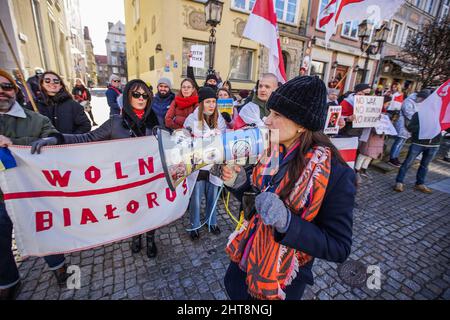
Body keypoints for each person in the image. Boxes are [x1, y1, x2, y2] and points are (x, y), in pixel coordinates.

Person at [221, 76, 356, 300]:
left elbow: (339, 247)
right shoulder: (270, 151)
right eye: (270, 112)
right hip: (244, 267)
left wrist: (287, 223)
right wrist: (239, 183)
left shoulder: (336, 174)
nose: (267, 120)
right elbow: (256, 204)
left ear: (301, 124)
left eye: (277, 115)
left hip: (281, 283)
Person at [31, 79, 161, 258]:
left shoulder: (154, 122)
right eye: (136, 94)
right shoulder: (116, 123)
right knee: (133, 211)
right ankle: (135, 237)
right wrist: (57, 138)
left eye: (145, 95)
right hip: (126, 182)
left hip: (149, 179)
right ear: (128, 97)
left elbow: (165, 146)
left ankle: (150, 239)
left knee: (151, 210)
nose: (141, 98)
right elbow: (87, 138)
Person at [0, 69, 68, 300]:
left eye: (6, 87)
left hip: (29, 189)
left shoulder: (35, 119)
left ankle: (58, 266)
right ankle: (9, 280)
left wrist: (15, 144)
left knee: (42, 227)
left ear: (15, 91)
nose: (1, 92)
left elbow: (52, 138)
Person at [183, 87, 227, 240]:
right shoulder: (192, 119)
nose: (212, 105)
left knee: (213, 195)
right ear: (201, 103)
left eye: (214, 101)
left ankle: (211, 221)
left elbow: (223, 139)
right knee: (196, 197)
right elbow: (185, 143)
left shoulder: (219, 118)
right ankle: (194, 225)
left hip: (215, 164)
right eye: (208, 102)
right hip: (199, 166)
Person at [393, 111, 442, 194]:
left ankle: (420, 183)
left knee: (425, 165)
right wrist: (425, 126)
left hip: (434, 145)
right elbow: (410, 128)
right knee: (407, 163)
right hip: (418, 143)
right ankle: (399, 182)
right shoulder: (419, 114)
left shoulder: (442, 115)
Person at [388, 90, 430, 167]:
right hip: (403, 123)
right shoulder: (409, 101)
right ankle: (392, 158)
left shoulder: (419, 102)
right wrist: (417, 119)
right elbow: (408, 113)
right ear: (420, 97)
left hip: (409, 125)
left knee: (402, 142)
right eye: (423, 99)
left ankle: (395, 157)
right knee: (398, 141)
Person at [355, 96, 392, 180]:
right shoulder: (373, 111)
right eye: (387, 103)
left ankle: (363, 169)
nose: (388, 105)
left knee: (371, 154)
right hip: (370, 136)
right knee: (364, 153)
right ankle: (356, 170)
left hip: (378, 138)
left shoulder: (385, 113)